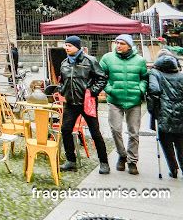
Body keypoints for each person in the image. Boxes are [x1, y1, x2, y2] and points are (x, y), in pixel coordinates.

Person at [57, 35, 109, 174]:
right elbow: (61, 80)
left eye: (69, 46)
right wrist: (62, 89)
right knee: (66, 130)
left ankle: (104, 162)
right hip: (70, 103)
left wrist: (92, 92)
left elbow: (102, 78)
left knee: (95, 133)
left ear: (77, 47)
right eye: (66, 45)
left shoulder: (90, 61)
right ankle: (70, 161)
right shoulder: (64, 63)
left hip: (87, 102)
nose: (66, 48)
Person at [99, 34, 148, 175]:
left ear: (129, 46)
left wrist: (141, 89)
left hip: (134, 101)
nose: (118, 46)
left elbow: (144, 78)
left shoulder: (139, 61)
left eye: (122, 43)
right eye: (117, 43)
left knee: (134, 132)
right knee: (115, 129)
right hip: (115, 100)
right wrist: (110, 90)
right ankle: (122, 154)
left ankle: (132, 161)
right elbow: (101, 76)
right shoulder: (108, 58)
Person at [147, 48, 183, 178]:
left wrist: (152, 110)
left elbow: (154, 90)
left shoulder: (155, 73)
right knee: (181, 143)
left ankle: (173, 169)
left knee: (166, 142)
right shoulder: (180, 75)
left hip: (163, 113)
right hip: (180, 114)